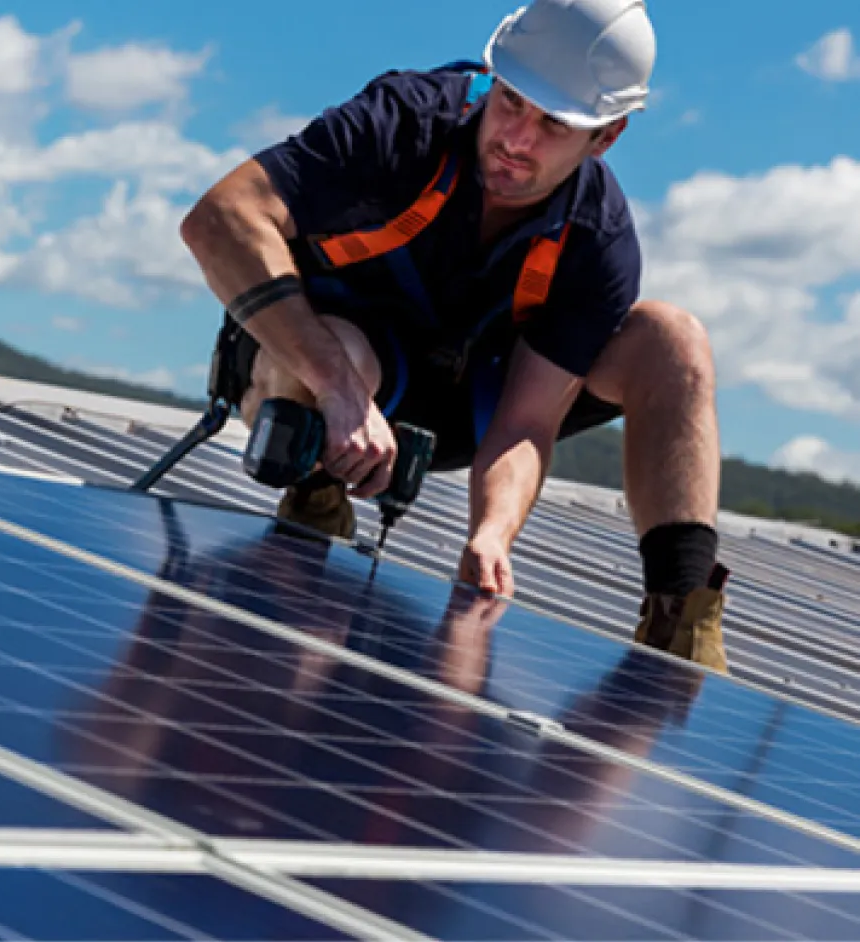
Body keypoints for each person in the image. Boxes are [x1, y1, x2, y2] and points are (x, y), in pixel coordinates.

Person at [179, 0, 730, 672]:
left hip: (458, 406)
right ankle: (317, 492)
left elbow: (528, 421)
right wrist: (340, 390)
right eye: (511, 102)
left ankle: (682, 629)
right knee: (346, 355)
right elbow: (219, 218)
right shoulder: (401, 124)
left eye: (553, 125)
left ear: (605, 137)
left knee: (672, 340)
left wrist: (492, 534)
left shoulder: (597, 240)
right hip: (313, 367)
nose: (517, 138)